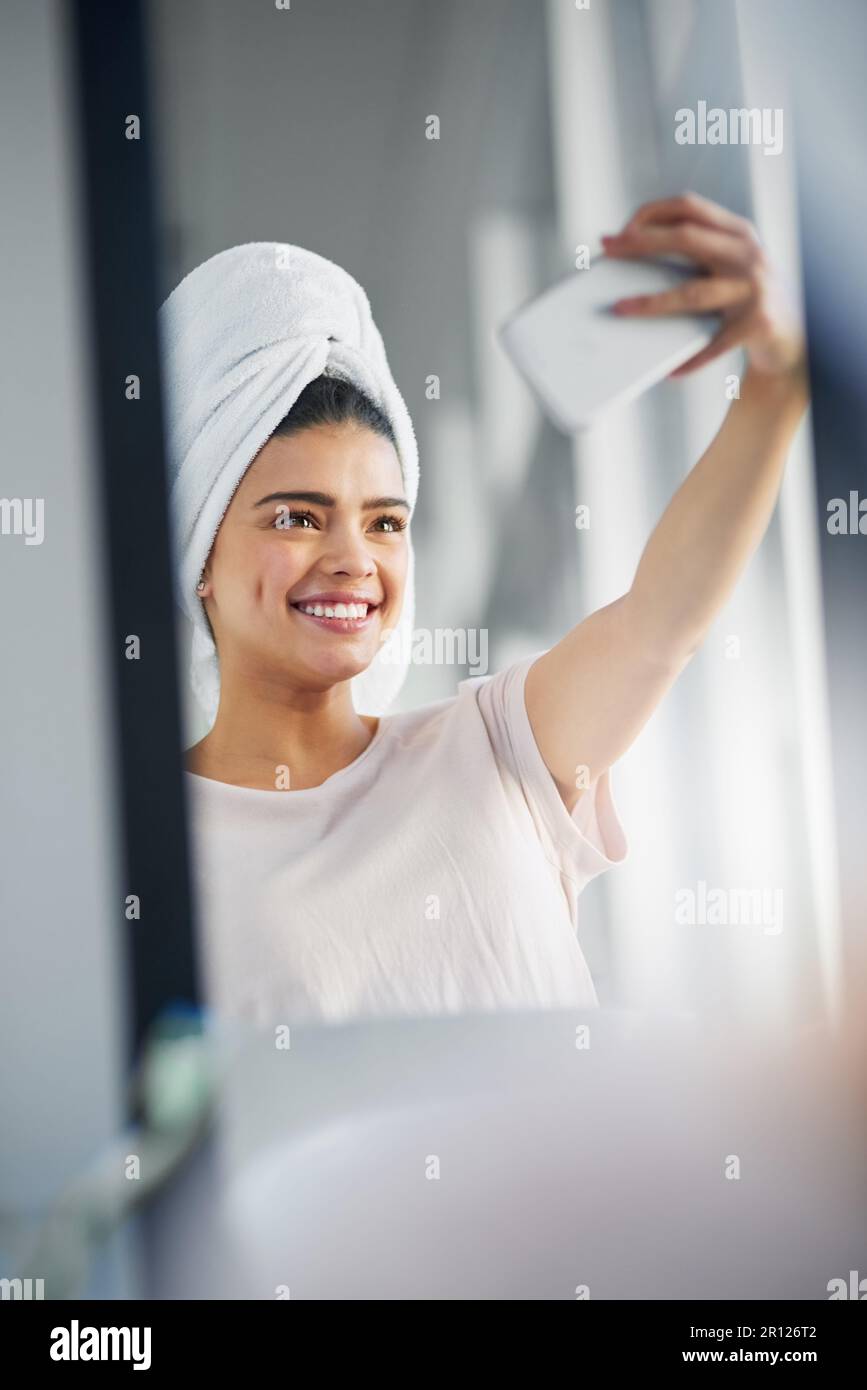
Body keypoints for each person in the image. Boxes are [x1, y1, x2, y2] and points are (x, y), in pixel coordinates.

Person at [171, 193, 809, 1027]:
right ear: (200, 557)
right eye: (297, 516)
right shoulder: (148, 859)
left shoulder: (497, 748)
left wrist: (775, 380)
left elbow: (664, 622)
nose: (352, 559)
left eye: (384, 522)